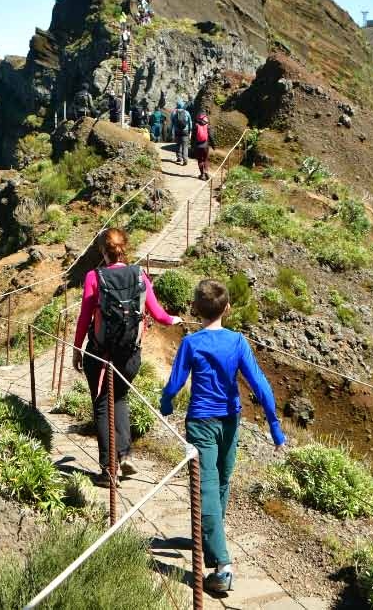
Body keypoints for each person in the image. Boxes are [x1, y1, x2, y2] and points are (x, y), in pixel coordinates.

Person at [161, 280, 286, 597]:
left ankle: (223, 565)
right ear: (227, 309)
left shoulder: (192, 343)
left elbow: (175, 383)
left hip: (202, 422)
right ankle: (208, 538)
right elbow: (260, 384)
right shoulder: (237, 342)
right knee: (221, 483)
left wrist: (165, 403)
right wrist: (274, 427)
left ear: (195, 309)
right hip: (231, 420)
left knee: (206, 489)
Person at [73, 229, 183, 486]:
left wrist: (77, 349)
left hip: (100, 354)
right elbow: (158, 313)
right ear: (125, 248)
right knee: (119, 398)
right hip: (130, 355)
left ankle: (108, 471)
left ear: (102, 251)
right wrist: (173, 319)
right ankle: (123, 454)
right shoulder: (139, 275)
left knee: (102, 405)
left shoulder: (94, 277)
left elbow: (84, 317)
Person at [171, 100, 192, 165]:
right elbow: (190, 122)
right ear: (183, 105)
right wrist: (190, 131)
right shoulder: (187, 112)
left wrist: (171, 132)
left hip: (177, 131)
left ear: (177, 105)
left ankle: (179, 157)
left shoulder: (174, 113)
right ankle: (185, 160)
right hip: (185, 131)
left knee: (178, 144)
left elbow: (172, 124)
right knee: (185, 146)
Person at [193, 112, 212, 180]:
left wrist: (193, 146)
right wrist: (213, 145)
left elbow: (193, 137)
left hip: (198, 146)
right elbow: (210, 136)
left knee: (200, 160)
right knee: (205, 159)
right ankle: (206, 172)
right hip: (206, 146)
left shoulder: (196, 125)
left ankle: (202, 175)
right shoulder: (207, 126)